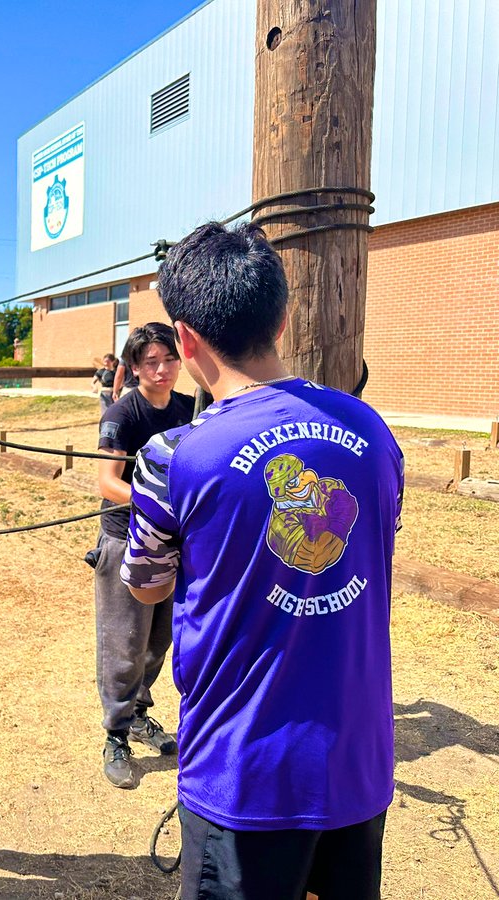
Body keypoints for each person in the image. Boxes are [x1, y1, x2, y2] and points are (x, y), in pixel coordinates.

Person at [122, 222, 403, 900]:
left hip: (242, 770)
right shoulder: (372, 431)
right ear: (282, 319)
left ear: (185, 340)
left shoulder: (172, 457)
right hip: (356, 763)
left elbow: (147, 587)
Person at [89, 324, 192, 789]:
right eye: (151, 362)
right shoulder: (121, 414)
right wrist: (160, 503)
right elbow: (108, 482)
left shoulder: (191, 409)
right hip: (125, 537)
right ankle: (115, 734)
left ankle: (138, 714)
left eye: (169, 359)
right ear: (133, 368)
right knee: (124, 643)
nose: (162, 369)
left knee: (160, 640)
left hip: (175, 540)